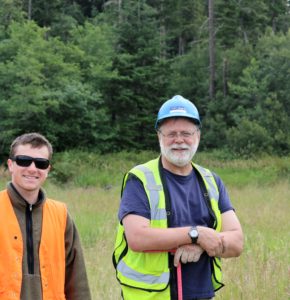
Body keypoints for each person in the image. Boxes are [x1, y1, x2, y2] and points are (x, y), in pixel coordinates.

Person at [113, 95, 244, 300]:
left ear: (198, 136)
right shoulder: (140, 179)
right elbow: (137, 238)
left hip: (202, 294)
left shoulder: (211, 181)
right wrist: (196, 233)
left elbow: (236, 242)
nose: (179, 140)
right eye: (171, 133)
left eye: (186, 133)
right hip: (152, 296)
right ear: (159, 137)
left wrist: (200, 244)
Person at [0, 132, 91, 300]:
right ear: (11, 165)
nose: (32, 168)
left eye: (41, 163)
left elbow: (76, 278)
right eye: (24, 161)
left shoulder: (61, 215)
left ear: (47, 169)